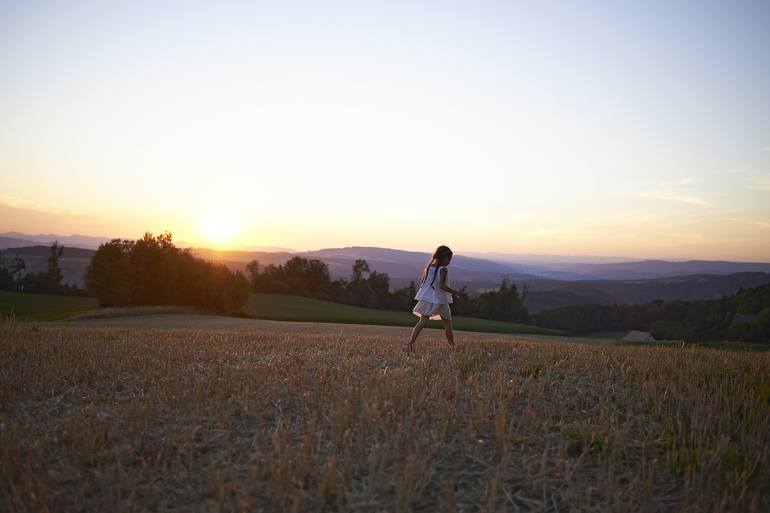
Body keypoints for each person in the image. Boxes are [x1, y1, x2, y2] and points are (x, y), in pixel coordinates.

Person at [405, 245, 467, 353]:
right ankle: (452, 346)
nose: (449, 262)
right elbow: (442, 286)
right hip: (440, 300)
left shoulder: (429, 267)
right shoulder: (443, 269)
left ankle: (411, 343)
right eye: (448, 259)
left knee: (422, 321)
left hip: (428, 298)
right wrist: (457, 293)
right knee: (447, 324)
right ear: (443, 257)